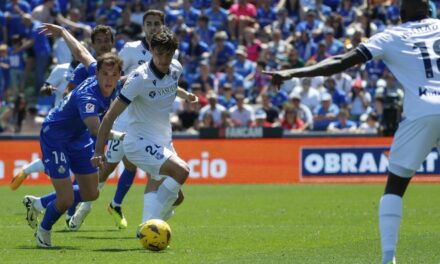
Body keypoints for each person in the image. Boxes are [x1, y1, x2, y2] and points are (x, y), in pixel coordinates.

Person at [264, 1, 438, 263]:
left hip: (422, 110)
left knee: (396, 186)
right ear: (431, 12)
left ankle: (388, 258)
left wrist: (293, 72)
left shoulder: (392, 35)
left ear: (402, 15)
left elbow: (341, 61)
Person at [72, 10, 194, 231]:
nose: (164, 60)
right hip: (136, 138)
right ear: (152, 51)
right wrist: (98, 150)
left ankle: (147, 226)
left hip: (163, 139)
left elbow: (170, 88)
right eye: (159, 55)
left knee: (176, 197)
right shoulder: (139, 76)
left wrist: (185, 95)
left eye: (168, 55)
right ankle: (144, 226)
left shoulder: (176, 68)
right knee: (181, 171)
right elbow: (110, 115)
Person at [22, 52, 124, 248]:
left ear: (119, 75)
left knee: (92, 193)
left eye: (114, 74)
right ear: (96, 74)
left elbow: (82, 53)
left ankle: (38, 204)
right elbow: (96, 129)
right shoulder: (89, 96)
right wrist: (121, 137)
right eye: (105, 74)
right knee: (66, 199)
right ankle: (43, 230)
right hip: (55, 137)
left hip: (78, 136)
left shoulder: (116, 83)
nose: (109, 79)